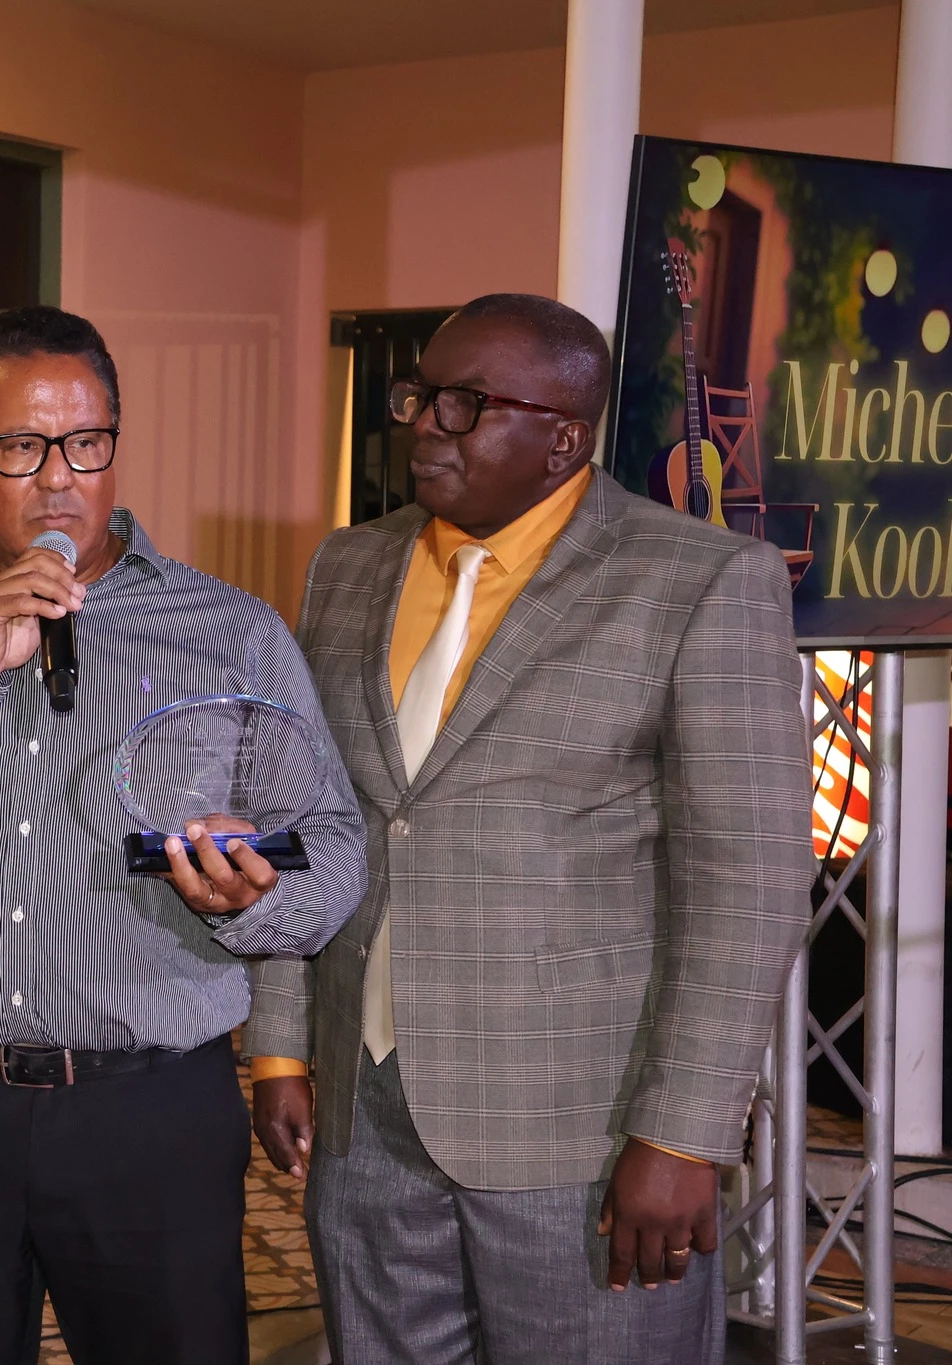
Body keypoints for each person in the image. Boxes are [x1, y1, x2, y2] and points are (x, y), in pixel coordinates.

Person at [0, 305, 368, 1365]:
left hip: (149, 1116)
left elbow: (330, 845)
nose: (58, 478)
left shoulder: (228, 631)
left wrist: (256, 896)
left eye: (86, 443)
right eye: (19, 446)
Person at [246, 293, 810, 1364]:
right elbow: (304, 815)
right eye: (419, 396)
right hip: (361, 1111)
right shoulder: (347, 568)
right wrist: (278, 1041)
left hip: (584, 1131)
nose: (424, 424)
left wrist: (680, 1132)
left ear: (561, 437)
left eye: (464, 406)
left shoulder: (695, 581)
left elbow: (748, 880)